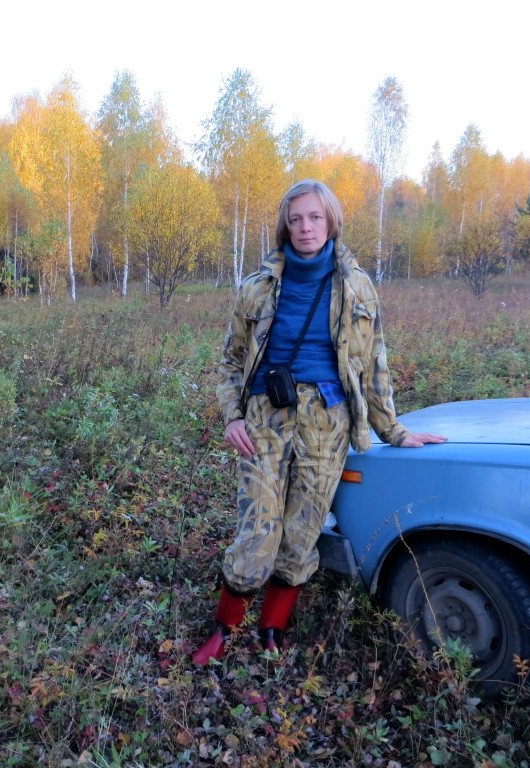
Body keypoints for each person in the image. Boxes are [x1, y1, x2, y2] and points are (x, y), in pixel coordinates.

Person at [192, 179, 447, 665]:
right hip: (266, 419)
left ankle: (271, 628)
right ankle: (223, 630)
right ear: (284, 226)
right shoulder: (258, 287)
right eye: (296, 219)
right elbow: (230, 360)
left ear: (331, 220)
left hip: (327, 423)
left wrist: (393, 430)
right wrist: (232, 417)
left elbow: (374, 364)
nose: (305, 227)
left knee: (302, 531)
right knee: (258, 531)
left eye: (314, 217)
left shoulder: (357, 286)